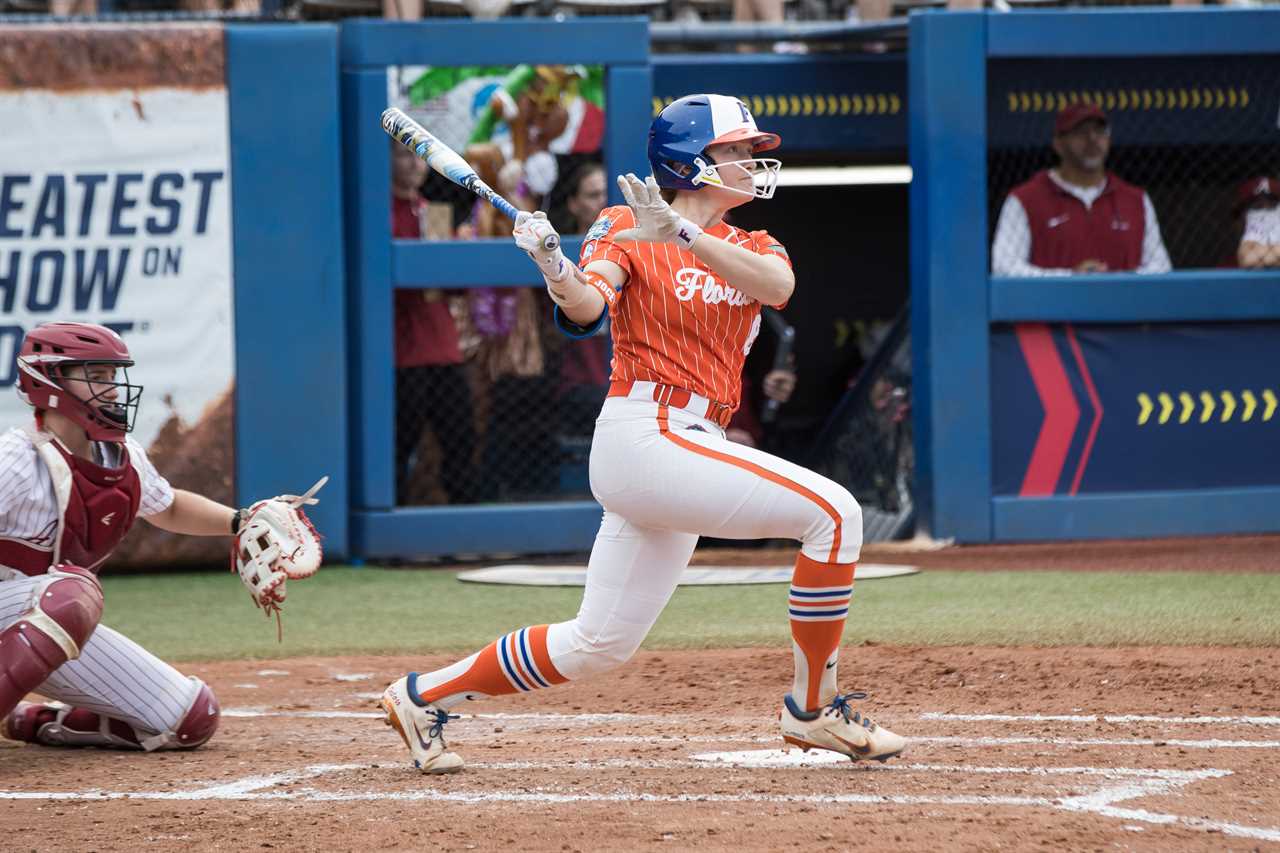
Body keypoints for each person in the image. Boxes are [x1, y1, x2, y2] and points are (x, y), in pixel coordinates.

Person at [378, 93, 907, 774]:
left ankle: (420, 696)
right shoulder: (622, 224)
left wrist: (684, 234)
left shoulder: (750, 244)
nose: (752, 160)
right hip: (646, 432)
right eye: (736, 150)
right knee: (835, 514)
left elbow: (777, 287)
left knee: (597, 643)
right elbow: (589, 304)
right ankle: (812, 709)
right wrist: (552, 265)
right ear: (693, 161)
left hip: (690, 443)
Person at [0, 322, 314, 751]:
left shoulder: (121, 455)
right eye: (95, 376)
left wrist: (240, 522)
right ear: (48, 380)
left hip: (37, 626)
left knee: (189, 717)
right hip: (29, 608)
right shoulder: (18, 457)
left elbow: (167, 507)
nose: (110, 389)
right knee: (69, 594)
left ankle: (34, 720)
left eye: (112, 376)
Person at [390, 140, 479, 505]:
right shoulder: (379, 213)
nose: (414, 164)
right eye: (403, 155)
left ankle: (466, 522)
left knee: (461, 437)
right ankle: (395, 521)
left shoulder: (434, 212)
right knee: (400, 441)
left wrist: (461, 252)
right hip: (401, 351)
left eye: (419, 156)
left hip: (443, 348)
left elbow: (454, 287)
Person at [992, 103, 1172, 276]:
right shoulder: (1025, 199)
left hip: (1121, 306)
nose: (1092, 139)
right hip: (1052, 306)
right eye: (1080, 132)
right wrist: (1072, 278)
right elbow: (1004, 267)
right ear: (1058, 143)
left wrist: (1114, 281)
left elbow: (1161, 267)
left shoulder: (1136, 200)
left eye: (1099, 131)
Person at [1236, 176, 1280, 269]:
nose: (1264, 216)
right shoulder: (1224, 268)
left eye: (1273, 206)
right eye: (1257, 207)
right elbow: (1248, 259)